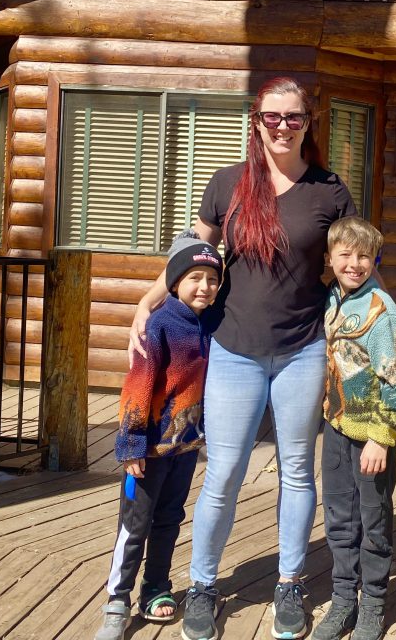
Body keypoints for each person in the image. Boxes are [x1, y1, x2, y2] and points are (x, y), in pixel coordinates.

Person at [128, 77, 356, 640]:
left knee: (297, 473)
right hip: (233, 350)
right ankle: (204, 585)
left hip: (303, 348)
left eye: (294, 118)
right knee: (224, 472)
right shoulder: (228, 184)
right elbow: (191, 253)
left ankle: (289, 583)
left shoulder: (330, 190)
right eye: (273, 117)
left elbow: (355, 263)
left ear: (309, 122)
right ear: (256, 121)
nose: (283, 127)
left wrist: (380, 328)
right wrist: (148, 299)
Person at [96, 231, 224, 640]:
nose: (205, 287)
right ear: (173, 282)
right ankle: (118, 598)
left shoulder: (209, 322)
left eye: (212, 279)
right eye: (195, 278)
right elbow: (137, 386)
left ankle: (156, 588)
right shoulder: (160, 324)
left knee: (169, 518)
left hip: (184, 447)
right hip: (148, 449)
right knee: (135, 523)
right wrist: (131, 443)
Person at [313, 217, 396, 640]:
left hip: (370, 437)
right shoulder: (334, 300)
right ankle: (342, 602)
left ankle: (372, 603)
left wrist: (381, 436)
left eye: (364, 256)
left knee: (372, 520)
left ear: (375, 260)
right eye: (346, 255)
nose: (355, 264)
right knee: (338, 517)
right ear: (331, 258)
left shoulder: (382, 313)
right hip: (335, 428)